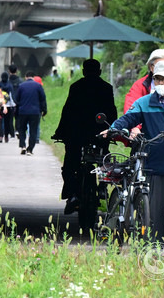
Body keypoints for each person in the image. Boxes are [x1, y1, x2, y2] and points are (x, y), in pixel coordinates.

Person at [103, 60, 164, 250]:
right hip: (154, 166)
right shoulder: (144, 103)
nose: (161, 84)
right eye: (157, 79)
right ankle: (155, 249)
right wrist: (113, 129)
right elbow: (128, 118)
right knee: (154, 213)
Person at [53, 59, 117, 214]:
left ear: (83, 72)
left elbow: (67, 110)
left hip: (76, 134)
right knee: (105, 161)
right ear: (100, 72)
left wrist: (60, 132)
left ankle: (72, 194)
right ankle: (102, 188)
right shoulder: (106, 88)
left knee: (70, 164)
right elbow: (112, 111)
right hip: (100, 135)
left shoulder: (76, 87)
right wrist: (113, 130)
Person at [15, 71, 47, 156]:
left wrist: (17, 110)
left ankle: (23, 146)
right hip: (35, 112)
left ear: (26, 77)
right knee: (33, 130)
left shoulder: (21, 86)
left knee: (22, 129)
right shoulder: (38, 86)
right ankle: (30, 149)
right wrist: (44, 110)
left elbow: (16, 99)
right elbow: (43, 99)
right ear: (33, 77)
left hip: (23, 112)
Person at [0, 72, 15, 143]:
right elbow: (11, 96)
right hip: (9, 106)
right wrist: (14, 105)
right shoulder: (10, 86)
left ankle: (0, 136)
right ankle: (6, 136)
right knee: (7, 122)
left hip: (0, 106)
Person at [8, 64, 22, 135]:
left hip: (9, 102)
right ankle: (17, 130)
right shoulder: (20, 81)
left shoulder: (7, 81)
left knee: (9, 117)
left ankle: (11, 131)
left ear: (9, 71)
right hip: (18, 101)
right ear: (16, 71)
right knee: (18, 117)